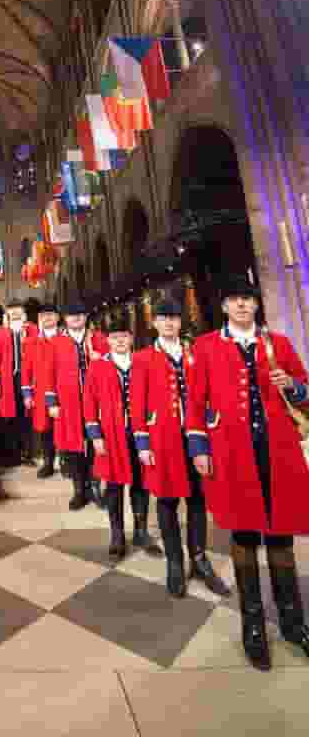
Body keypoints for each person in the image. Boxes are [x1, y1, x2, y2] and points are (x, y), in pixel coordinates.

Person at [187, 276, 309, 670]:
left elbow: (305, 390)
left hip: (278, 451)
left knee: (280, 535)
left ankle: (293, 623)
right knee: (242, 535)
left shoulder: (279, 344)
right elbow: (196, 401)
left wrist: (291, 384)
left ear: (255, 305)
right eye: (234, 300)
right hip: (232, 453)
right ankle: (253, 627)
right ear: (224, 306)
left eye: (248, 300)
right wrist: (200, 448)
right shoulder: (205, 347)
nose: (242, 306)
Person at [130, 297, 230, 598]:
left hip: (197, 438)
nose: (170, 322)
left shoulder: (195, 353)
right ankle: (175, 562)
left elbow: (210, 390)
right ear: (155, 323)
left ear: (180, 322)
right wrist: (142, 442)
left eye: (174, 317)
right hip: (162, 439)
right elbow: (136, 402)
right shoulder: (143, 358)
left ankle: (199, 558)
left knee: (198, 498)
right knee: (168, 500)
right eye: (164, 318)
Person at [84, 310, 162, 558]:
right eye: (114, 336)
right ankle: (117, 533)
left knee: (141, 483)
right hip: (111, 436)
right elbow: (89, 403)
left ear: (131, 338)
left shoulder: (143, 363)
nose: (119, 341)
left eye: (123, 336)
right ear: (107, 340)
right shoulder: (98, 367)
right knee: (115, 485)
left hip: (140, 435)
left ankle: (140, 530)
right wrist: (95, 436)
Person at [46, 300, 96, 510]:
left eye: (80, 314)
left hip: (95, 402)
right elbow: (48, 374)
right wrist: (52, 402)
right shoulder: (56, 342)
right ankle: (79, 490)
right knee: (73, 447)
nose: (76, 317)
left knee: (96, 444)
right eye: (71, 314)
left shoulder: (97, 338)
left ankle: (94, 485)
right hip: (68, 403)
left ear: (86, 317)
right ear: (65, 319)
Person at [0, 298, 38, 466]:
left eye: (18, 308)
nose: (15, 311)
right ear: (7, 312)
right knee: (9, 417)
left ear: (22, 311)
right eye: (11, 309)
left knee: (27, 416)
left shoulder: (32, 329)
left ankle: (29, 454)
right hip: (7, 379)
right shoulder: (1, 332)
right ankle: (12, 454)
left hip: (28, 378)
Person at [22, 303, 61, 478]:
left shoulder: (65, 338)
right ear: (39, 319)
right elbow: (26, 370)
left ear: (57, 318)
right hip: (40, 391)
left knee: (64, 427)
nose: (47, 318)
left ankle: (66, 462)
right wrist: (27, 394)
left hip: (64, 391)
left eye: (50, 314)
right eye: (43, 315)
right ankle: (48, 463)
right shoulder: (32, 342)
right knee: (45, 429)